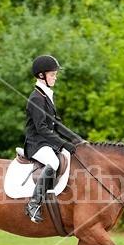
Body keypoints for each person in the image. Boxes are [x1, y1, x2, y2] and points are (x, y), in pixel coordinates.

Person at [23, 55, 83, 223]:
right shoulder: (36, 98)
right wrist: (63, 144)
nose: (55, 78)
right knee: (54, 163)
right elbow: (41, 129)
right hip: (36, 143)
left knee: (69, 157)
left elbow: (56, 124)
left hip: (46, 142)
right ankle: (33, 205)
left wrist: (77, 140)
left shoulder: (47, 95)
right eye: (52, 75)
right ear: (41, 76)